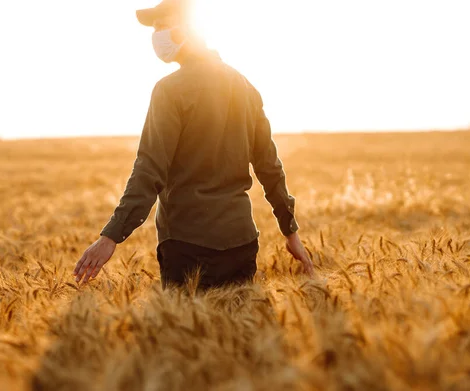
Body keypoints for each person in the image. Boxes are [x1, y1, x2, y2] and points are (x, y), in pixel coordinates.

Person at [73, 0, 315, 289]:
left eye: (163, 25)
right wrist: (290, 233)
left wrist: (110, 237)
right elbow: (270, 167)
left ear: (188, 28)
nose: (157, 34)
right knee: (238, 331)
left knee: (184, 333)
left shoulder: (170, 90)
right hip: (242, 242)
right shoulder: (245, 86)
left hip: (187, 246)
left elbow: (149, 169)